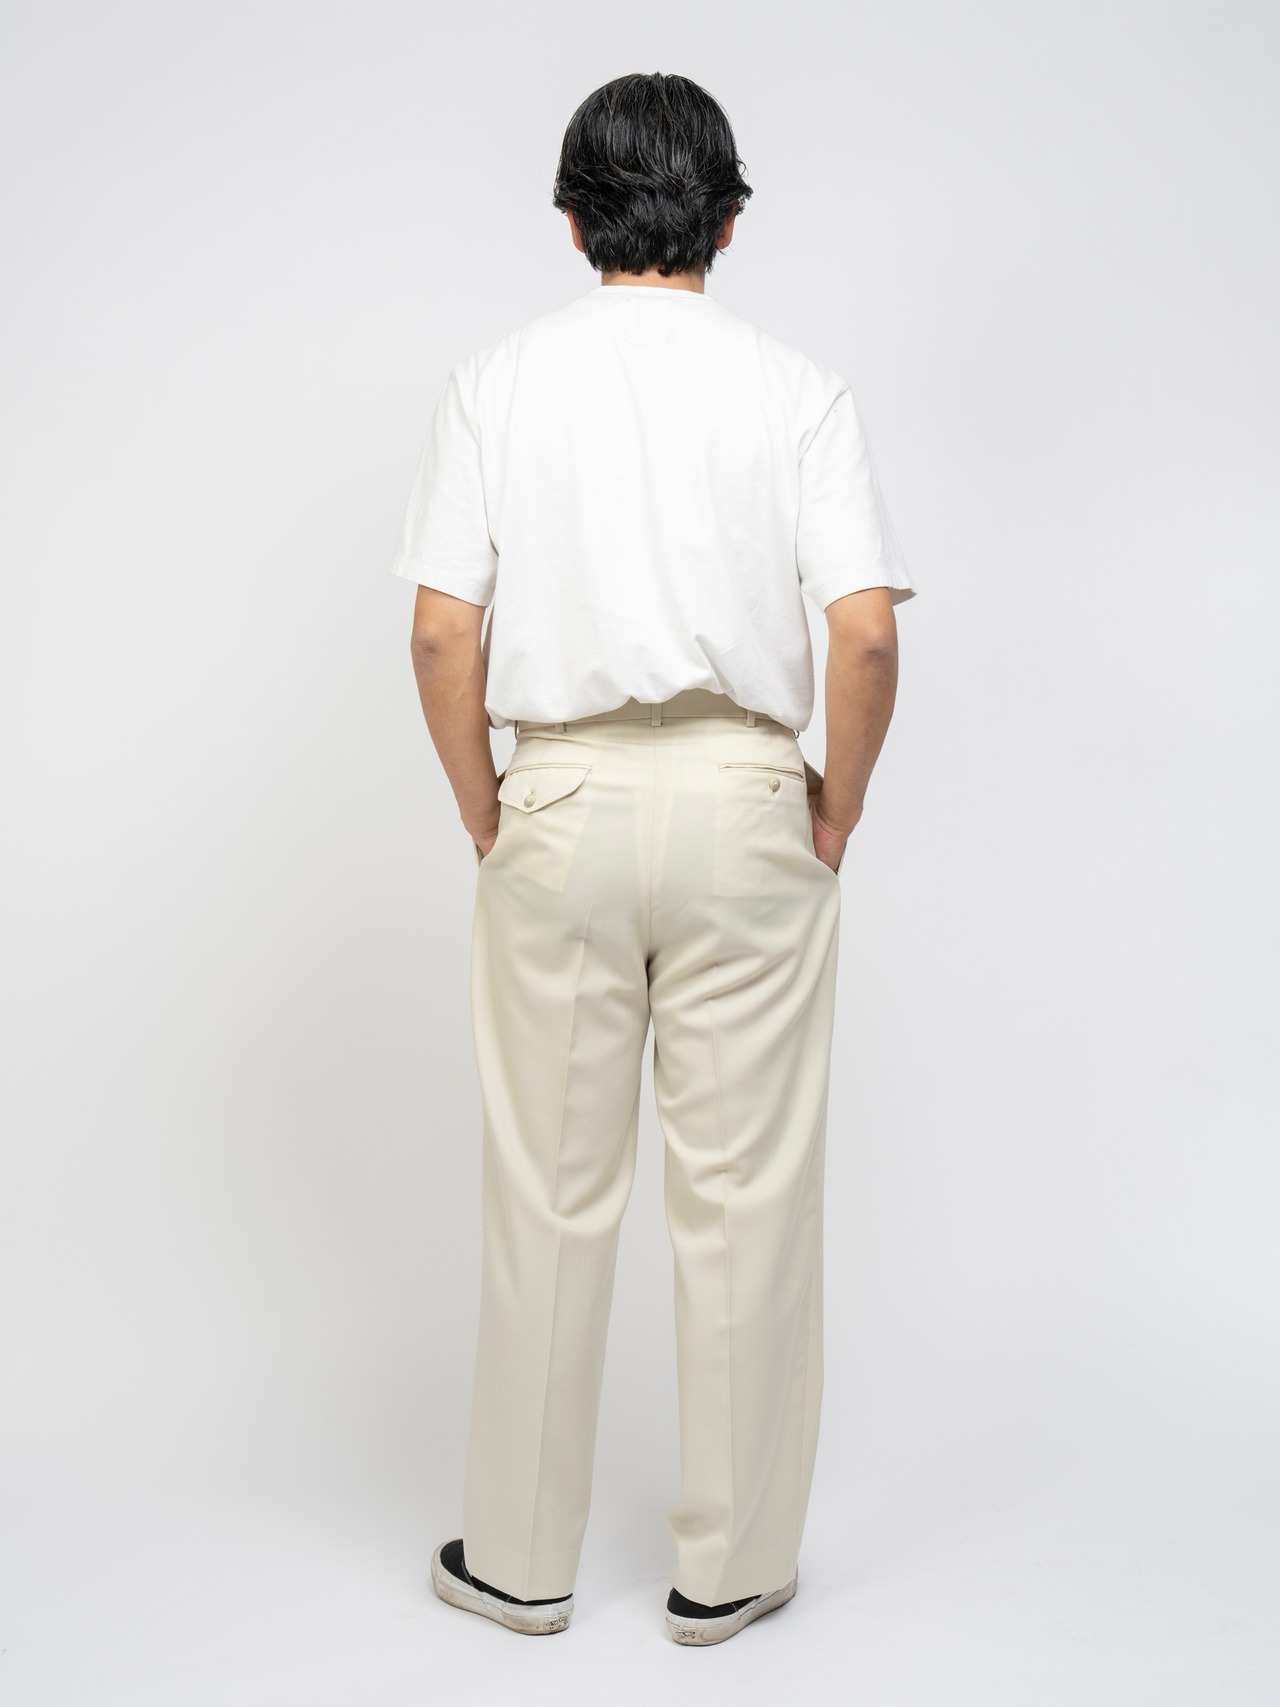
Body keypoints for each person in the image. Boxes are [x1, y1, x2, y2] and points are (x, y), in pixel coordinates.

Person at [389, 70, 916, 1646]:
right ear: (730, 222)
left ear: (572, 221)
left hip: (556, 797)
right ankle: (730, 1566)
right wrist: (835, 810)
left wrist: (486, 808)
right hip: (750, 801)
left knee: (546, 1195)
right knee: (745, 1194)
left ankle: (518, 1560)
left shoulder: (496, 383)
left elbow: (441, 632)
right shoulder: (799, 391)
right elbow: (866, 638)